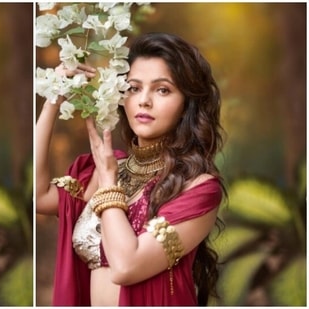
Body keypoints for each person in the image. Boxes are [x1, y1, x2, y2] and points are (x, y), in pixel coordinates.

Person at [36, 32, 226, 306]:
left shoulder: (199, 188)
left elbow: (127, 266)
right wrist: (53, 99)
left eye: (162, 90)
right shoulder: (106, 167)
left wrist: (110, 185)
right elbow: (39, 196)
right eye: (134, 88)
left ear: (187, 104)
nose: (144, 100)